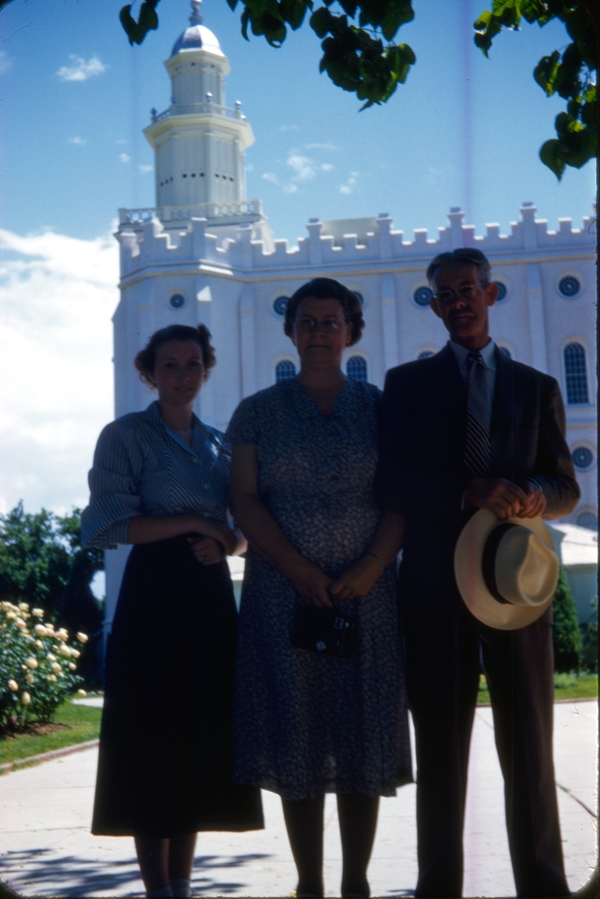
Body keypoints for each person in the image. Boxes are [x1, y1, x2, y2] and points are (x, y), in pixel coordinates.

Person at [375, 248, 580, 899]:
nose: (460, 301)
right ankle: (438, 888)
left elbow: (566, 485)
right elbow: (393, 479)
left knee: (530, 750)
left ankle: (544, 886)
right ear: (434, 305)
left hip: (518, 589)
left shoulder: (538, 386)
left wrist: (535, 494)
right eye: (447, 294)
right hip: (436, 586)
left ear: (491, 294)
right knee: (440, 753)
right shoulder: (406, 385)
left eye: (470, 289)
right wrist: (469, 489)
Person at [226, 278, 412, 899]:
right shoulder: (256, 411)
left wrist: (372, 565)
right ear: (291, 331)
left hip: (368, 596)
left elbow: (402, 493)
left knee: (362, 732)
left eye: (331, 321)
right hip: (284, 597)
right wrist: (297, 569)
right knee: (297, 734)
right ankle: (309, 883)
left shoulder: (383, 407)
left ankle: (356, 882)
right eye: (307, 321)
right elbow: (244, 499)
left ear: (352, 331)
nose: (318, 332)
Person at [81, 324, 263, 899]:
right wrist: (192, 522)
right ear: (148, 372)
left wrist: (226, 543)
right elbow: (104, 525)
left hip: (208, 597)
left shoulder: (219, 444)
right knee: (151, 736)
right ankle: (157, 889)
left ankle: (182, 887)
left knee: (197, 735)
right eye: (169, 366)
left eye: (192, 365)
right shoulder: (126, 436)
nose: (181, 376)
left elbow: (247, 530)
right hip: (154, 597)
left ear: (206, 370)